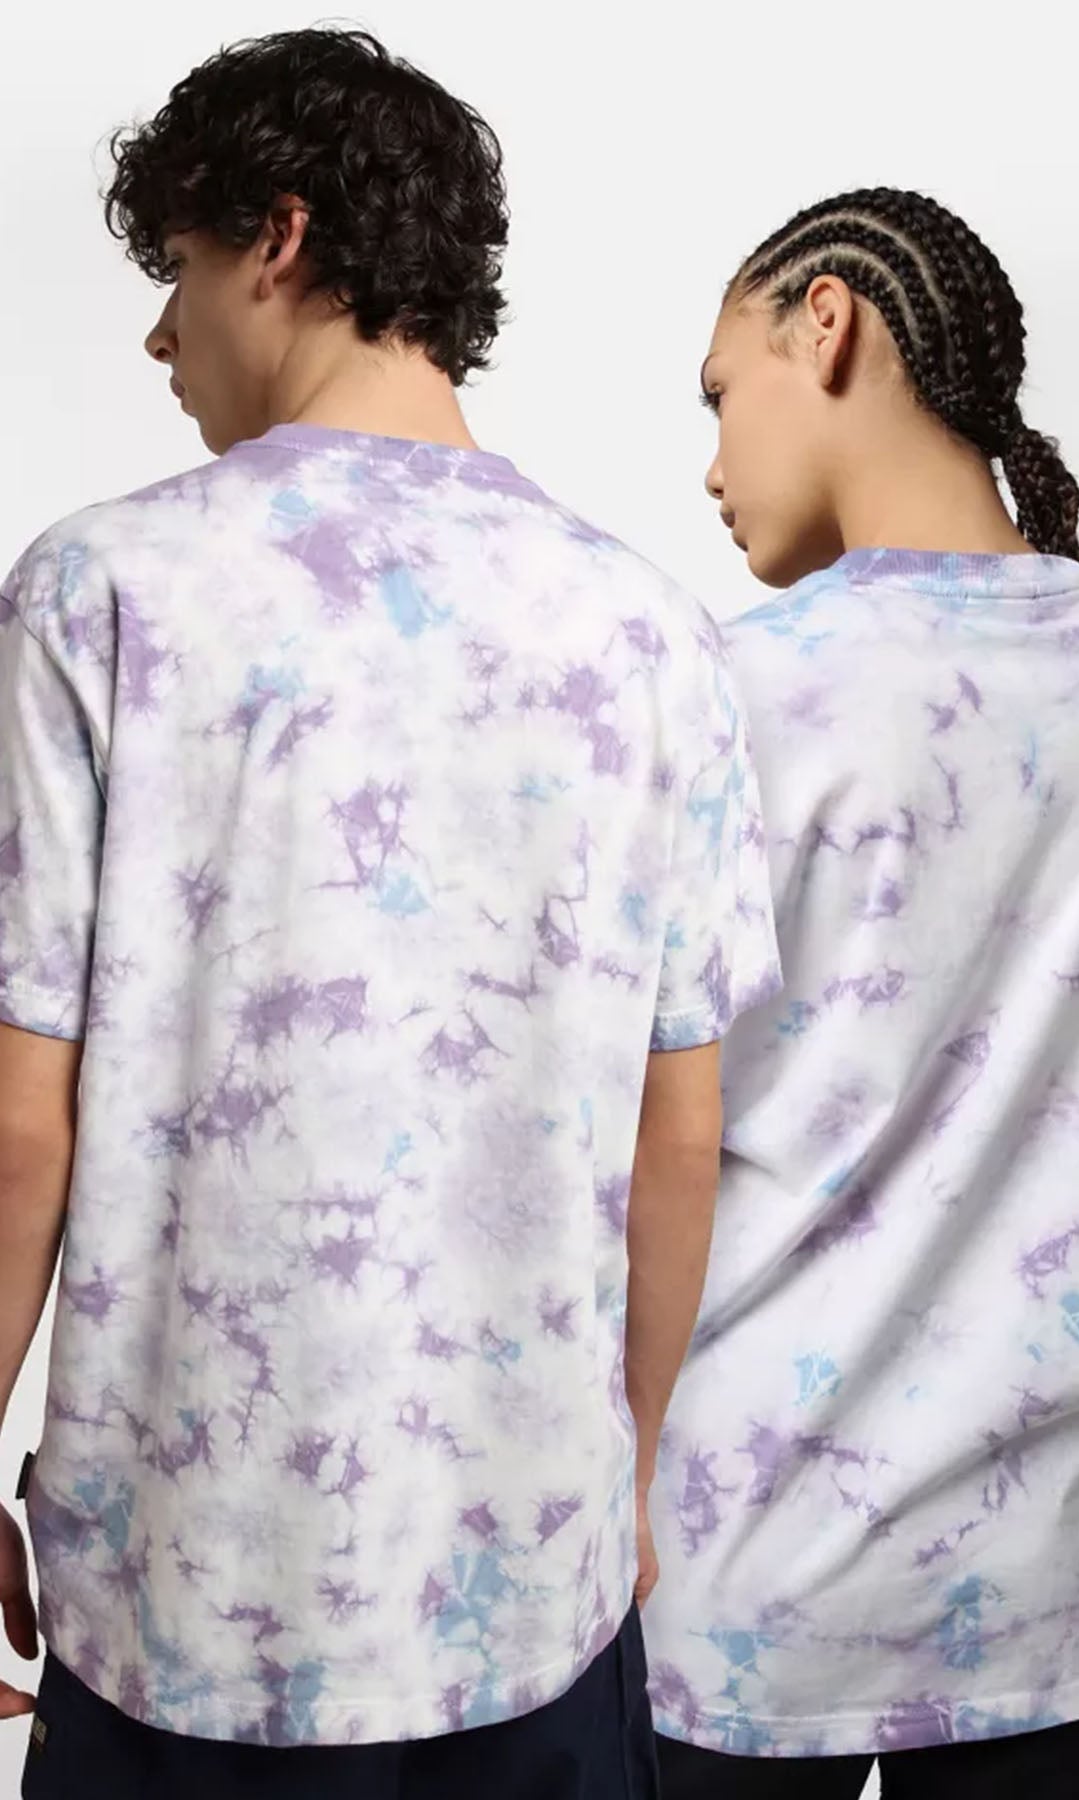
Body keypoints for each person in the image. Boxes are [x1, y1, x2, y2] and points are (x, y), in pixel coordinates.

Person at [0, 29, 781, 1797]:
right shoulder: (652, 635)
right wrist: (622, 1475)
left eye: (178, 268)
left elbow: (22, 1121)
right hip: (534, 1605)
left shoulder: (101, 590)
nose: (160, 334)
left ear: (279, 239)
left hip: (190, 1618)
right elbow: (682, 1129)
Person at [643, 186, 1079, 1798]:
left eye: (719, 395)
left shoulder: (730, 695)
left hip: (736, 1584)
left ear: (825, 325)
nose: (711, 464)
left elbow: (619, 1152)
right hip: (1061, 1589)